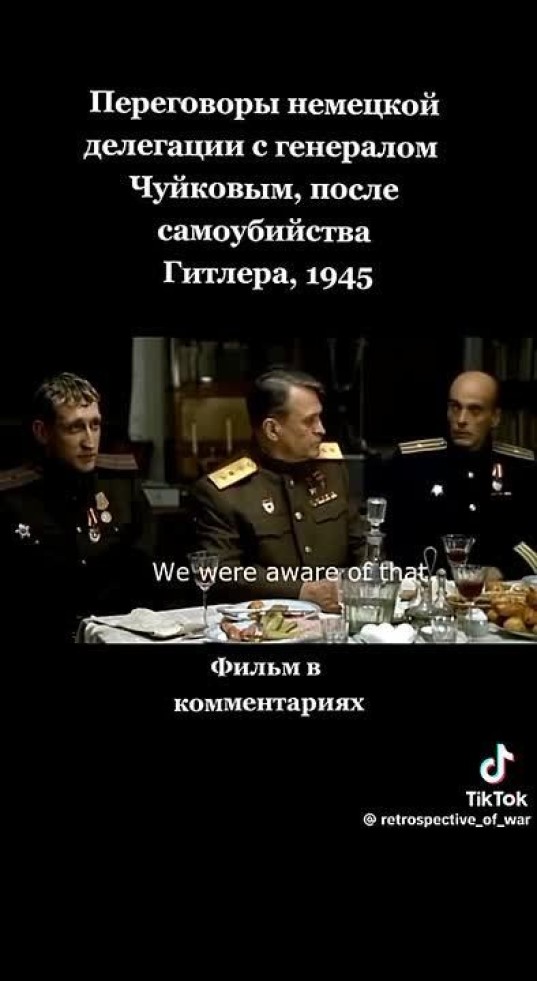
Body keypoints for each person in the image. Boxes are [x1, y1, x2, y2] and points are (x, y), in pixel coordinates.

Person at [189, 368, 366, 609]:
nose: (321, 429)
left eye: (320, 418)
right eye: (309, 421)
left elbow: (362, 545)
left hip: (340, 613)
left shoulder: (332, 469)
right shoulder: (224, 492)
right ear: (272, 430)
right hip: (266, 620)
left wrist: (367, 587)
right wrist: (302, 591)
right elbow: (222, 573)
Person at [0, 372, 156, 642]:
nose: (89, 441)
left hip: (116, 632)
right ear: (42, 432)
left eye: (95, 425)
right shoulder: (12, 498)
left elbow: (147, 572)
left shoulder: (121, 485)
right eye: (75, 428)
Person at [383, 370, 536, 579]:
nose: (461, 419)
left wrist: (502, 570)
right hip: (428, 587)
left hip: (500, 588)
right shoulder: (412, 463)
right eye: (455, 407)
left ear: (495, 417)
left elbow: (533, 538)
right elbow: (393, 538)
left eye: (475, 410)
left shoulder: (521, 468)